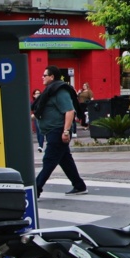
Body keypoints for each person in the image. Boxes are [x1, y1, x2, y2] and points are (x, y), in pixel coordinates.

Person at [32, 66, 87, 197]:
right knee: (65, 160)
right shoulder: (51, 91)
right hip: (52, 131)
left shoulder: (60, 91)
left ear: (52, 77)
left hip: (57, 131)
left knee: (49, 161)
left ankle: (36, 189)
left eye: (45, 75)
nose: (42, 77)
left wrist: (66, 131)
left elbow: (69, 111)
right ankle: (79, 186)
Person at [30, 89, 44, 153]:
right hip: (36, 118)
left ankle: (40, 146)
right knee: (38, 132)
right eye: (36, 93)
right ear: (34, 95)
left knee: (41, 132)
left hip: (42, 118)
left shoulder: (42, 101)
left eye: (39, 93)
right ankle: (40, 145)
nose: (38, 94)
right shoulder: (32, 102)